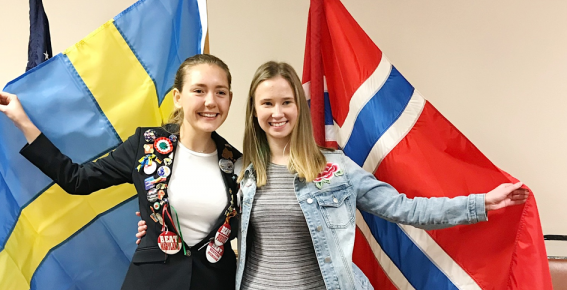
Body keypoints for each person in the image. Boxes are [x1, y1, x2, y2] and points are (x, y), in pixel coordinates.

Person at [135, 60, 529, 289]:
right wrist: (153, 226)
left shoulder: (335, 169)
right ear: (254, 111)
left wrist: (480, 203)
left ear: (299, 108)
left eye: (286, 102)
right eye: (267, 103)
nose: (277, 112)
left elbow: (406, 209)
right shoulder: (240, 170)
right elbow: (201, 213)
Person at [0, 54, 242, 290]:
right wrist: (23, 121)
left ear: (229, 98)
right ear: (178, 96)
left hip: (215, 282)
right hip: (152, 282)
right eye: (199, 90)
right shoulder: (147, 145)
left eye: (220, 92)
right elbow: (78, 179)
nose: (210, 101)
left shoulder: (238, 164)